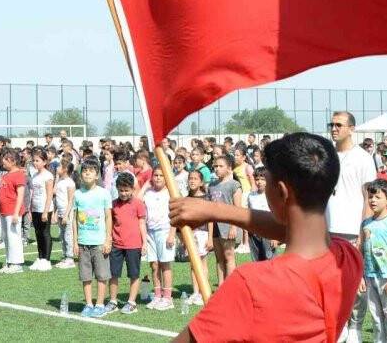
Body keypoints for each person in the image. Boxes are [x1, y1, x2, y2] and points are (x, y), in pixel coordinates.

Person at [168, 132, 362, 342]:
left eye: (266, 180)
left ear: (281, 191)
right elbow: (296, 231)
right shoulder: (348, 257)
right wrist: (214, 210)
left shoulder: (252, 284)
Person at [326, 111, 376, 343]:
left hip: (353, 228)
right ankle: (341, 323)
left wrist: (363, 229)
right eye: (332, 124)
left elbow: (369, 197)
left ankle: (355, 326)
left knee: (356, 281)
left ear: (352, 128)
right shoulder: (327, 156)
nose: (334, 128)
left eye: (339, 125)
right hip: (328, 229)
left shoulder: (363, 158)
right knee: (333, 281)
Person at [360, 178, 387, 343]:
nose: (372, 200)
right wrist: (360, 277)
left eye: (377, 197)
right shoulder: (366, 224)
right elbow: (361, 251)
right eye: (371, 197)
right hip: (371, 277)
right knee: (377, 319)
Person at [72, 158, 113, 318]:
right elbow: (74, 220)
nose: (87, 173)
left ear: (97, 175)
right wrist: (75, 242)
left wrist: (108, 239)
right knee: (86, 275)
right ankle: (89, 304)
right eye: (84, 170)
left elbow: (108, 217)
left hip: (99, 242)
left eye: (91, 171)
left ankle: (100, 304)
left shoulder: (103, 193)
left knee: (102, 275)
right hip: (83, 242)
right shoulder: (77, 194)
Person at [108, 171, 146, 314]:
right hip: (116, 245)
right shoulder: (113, 205)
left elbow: (142, 224)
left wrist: (144, 243)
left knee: (134, 274)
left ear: (132, 189)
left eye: (126, 190)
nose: (123, 193)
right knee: (113, 273)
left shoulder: (138, 204)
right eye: (121, 190)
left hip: (134, 245)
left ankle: (131, 302)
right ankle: (112, 301)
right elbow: (110, 224)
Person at [143, 168, 176, 311]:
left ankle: (168, 297)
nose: (158, 178)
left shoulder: (170, 193)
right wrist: (145, 185)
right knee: (154, 264)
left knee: (165, 264)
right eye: (155, 175)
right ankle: (157, 294)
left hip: (164, 231)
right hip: (150, 231)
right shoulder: (148, 193)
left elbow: (175, 215)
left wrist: (172, 234)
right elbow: (137, 200)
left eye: (161, 176)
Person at [207, 153, 242, 284]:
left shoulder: (234, 185)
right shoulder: (211, 185)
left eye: (220, 166)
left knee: (229, 256)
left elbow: (237, 209)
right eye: (215, 166)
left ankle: (230, 286)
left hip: (228, 226)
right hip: (215, 226)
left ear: (228, 168)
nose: (217, 168)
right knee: (219, 258)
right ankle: (221, 287)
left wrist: (233, 227)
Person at [0, 148, 26, 274]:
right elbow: (1, 196)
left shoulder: (19, 174)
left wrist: (16, 213)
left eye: (5, 160)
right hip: (4, 211)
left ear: (13, 161)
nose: (3, 163)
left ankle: (17, 264)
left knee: (14, 237)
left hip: (13, 211)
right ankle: (9, 262)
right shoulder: (5, 175)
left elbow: (20, 195)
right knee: (7, 238)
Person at [185, 169, 210, 306]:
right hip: (191, 234)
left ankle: (202, 290)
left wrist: (210, 238)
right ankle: (195, 292)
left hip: (203, 233)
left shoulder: (205, 198)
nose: (192, 181)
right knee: (193, 264)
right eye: (190, 178)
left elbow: (210, 219)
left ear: (201, 182)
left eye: (195, 179)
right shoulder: (187, 198)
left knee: (202, 262)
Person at [28, 148, 54, 271]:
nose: (35, 163)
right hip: (35, 208)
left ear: (44, 161)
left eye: (37, 160)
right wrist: (30, 209)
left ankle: (47, 260)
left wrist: (45, 211)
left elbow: (49, 195)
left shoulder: (48, 176)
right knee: (38, 233)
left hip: (45, 208)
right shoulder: (34, 175)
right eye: (33, 160)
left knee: (45, 233)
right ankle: (40, 257)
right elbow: (32, 193)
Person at [247, 167, 277, 262]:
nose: (259, 182)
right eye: (257, 179)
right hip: (254, 233)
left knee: (270, 259)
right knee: (257, 260)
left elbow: (275, 215)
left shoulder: (272, 195)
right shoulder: (251, 195)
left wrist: (274, 237)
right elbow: (249, 212)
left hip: (268, 231)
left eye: (262, 179)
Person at [54, 158, 77, 269]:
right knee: (62, 236)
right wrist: (56, 213)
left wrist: (66, 215)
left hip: (67, 213)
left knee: (68, 235)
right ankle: (65, 256)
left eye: (59, 166)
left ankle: (70, 258)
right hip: (60, 212)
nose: (57, 168)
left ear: (65, 169)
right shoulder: (60, 182)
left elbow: (71, 200)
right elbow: (55, 194)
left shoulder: (70, 183)